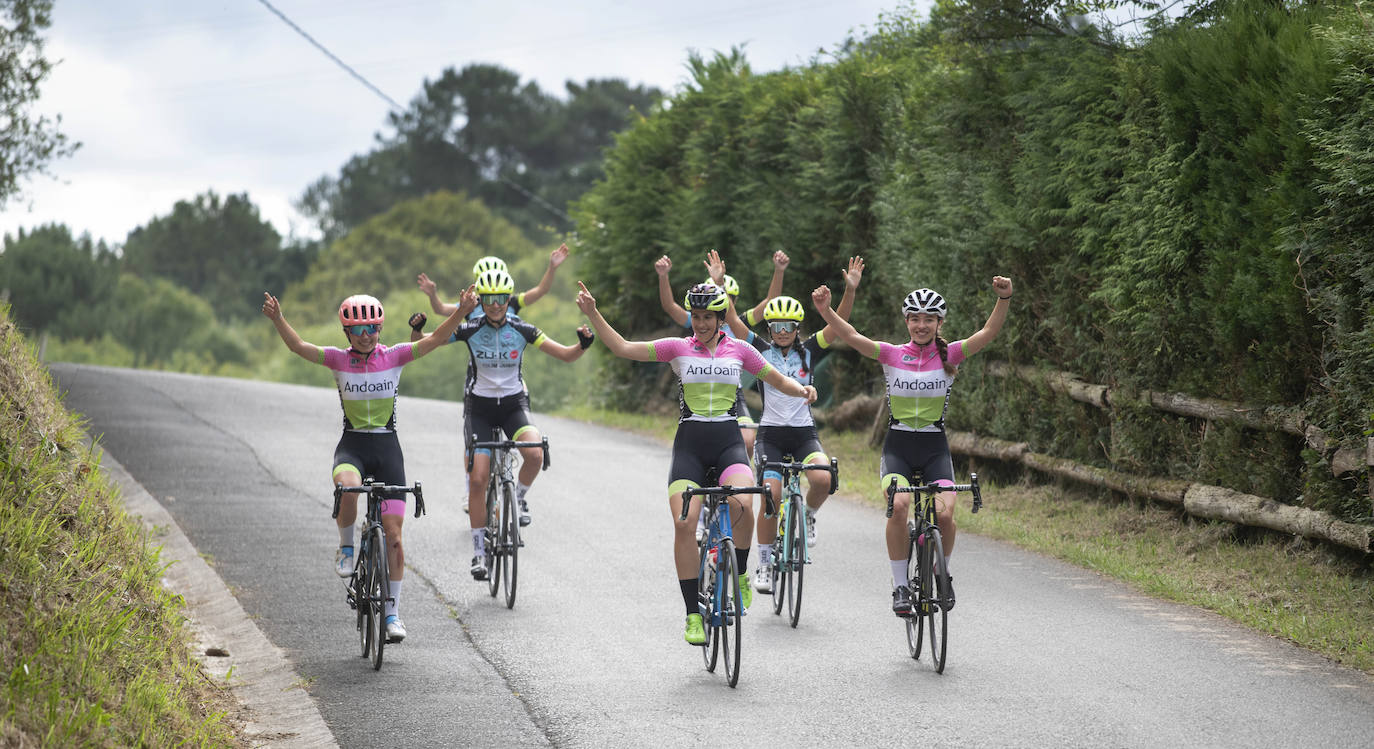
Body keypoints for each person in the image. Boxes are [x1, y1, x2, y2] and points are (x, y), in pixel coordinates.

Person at [575, 280, 818, 645]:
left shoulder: (739, 350)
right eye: (696, 316)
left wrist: (802, 390)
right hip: (690, 445)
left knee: (743, 503)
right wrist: (593, 313)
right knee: (685, 522)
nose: (701, 323)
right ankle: (692, 614)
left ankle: (739, 576)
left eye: (708, 317)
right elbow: (624, 347)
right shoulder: (677, 348)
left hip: (728, 443)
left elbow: (775, 377)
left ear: (720, 317)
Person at [261, 289, 474, 643]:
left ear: (379, 329)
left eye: (372, 328)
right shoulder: (338, 359)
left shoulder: (394, 356)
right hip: (354, 447)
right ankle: (347, 547)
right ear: (347, 332)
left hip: (388, 449)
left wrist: (462, 311)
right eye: (358, 329)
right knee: (346, 487)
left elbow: (436, 338)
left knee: (394, 537)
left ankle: (392, 615)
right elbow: (299, 346)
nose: (365, 335)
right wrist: (279, 319)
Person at [811, 275, 1013, 616]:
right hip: (898, 448)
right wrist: (827, 311)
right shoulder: (891, 354)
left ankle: (941, 571)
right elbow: (851, 336)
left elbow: (988, 333)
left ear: (939, 323)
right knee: (900, 504)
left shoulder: (953, 354)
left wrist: (1004, 299)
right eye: (915, 319)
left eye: (929, 319)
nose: (922, 325)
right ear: (906, 321)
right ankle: (901, 585)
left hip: (935, 447)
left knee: (946, 515)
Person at [423, 269, 593, 581]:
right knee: (477, 479)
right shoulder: (471, 327)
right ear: (481, 300)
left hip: (514, 405)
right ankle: (478, 552)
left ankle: (518, 497)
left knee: (535, 453)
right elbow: (427, 342)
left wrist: (583, 344)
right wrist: (417, 329)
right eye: (489, 299)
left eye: (501, 299)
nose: (496, 305)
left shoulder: (522, 328)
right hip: (481, 409)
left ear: (508, 299)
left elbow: (566, 356)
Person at [724, 257, 864, 594]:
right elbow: (730, 320)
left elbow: (841, 323)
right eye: (776, 326)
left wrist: (850, 289)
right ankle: (765, 563)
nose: (782, 332)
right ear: (769, 329)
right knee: (770, 497)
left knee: (822, 478)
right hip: (770, 435)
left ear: (798, 327)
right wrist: (719, 286)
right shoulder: (759, 349)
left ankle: (810, 513)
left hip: (804, 434)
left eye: (788, 326)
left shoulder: (811, 350)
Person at [414, 243, 569, 324]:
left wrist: (552, 268)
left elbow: (541, 290)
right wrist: (433, 295)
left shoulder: (513, 301)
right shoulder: (470, 305)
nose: (495, 304)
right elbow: (440, 309)